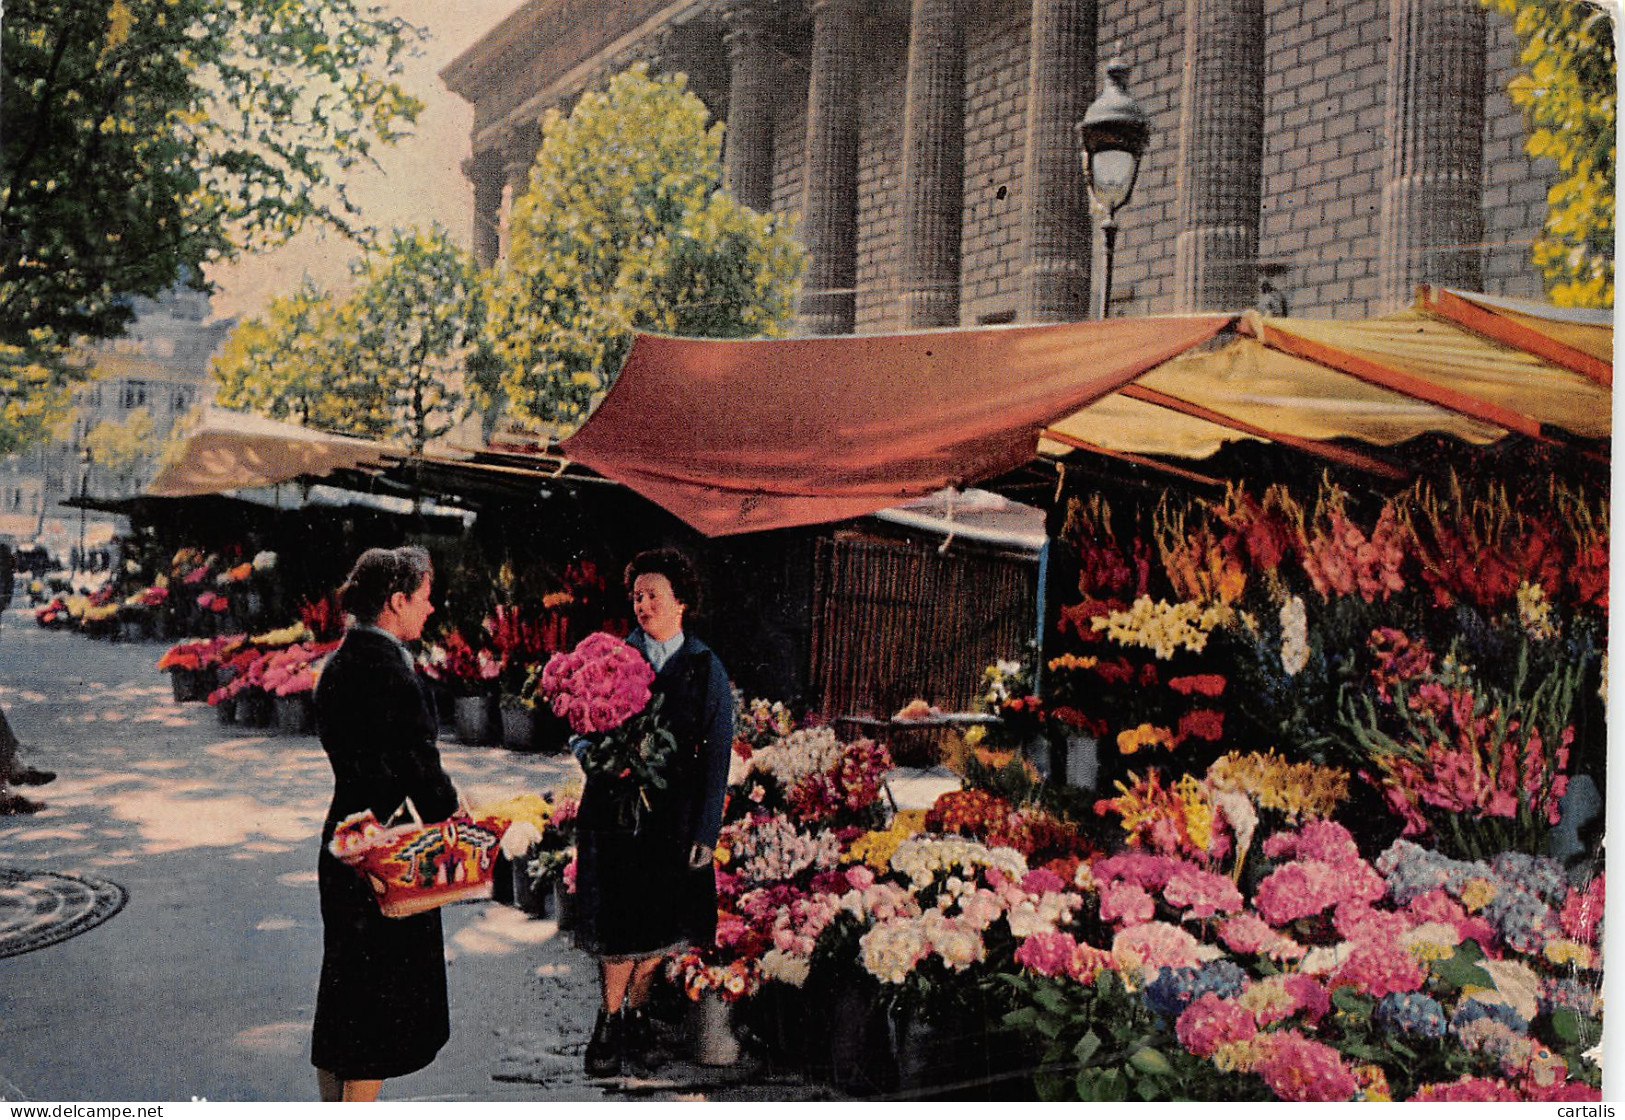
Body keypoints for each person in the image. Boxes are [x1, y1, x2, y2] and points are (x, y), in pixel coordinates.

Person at [572, 547, 734, 1077]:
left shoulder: (706, 668)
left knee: (659, 928)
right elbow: (580, 724)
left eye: (653, 595)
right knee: (617, 927)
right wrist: (595, 757)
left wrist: (706, 832)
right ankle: (607, 1022)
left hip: (673, 820)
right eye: (636, 596)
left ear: (681, 601)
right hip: (614, 815)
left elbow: (716, 756)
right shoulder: (613, 658)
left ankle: (636, 1021)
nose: (642, 605)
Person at [310, 545, 457, 1102]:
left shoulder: (339, 664)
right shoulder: (393, 672)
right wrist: (457, 817)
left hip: (342, 842)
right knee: (376, 1010)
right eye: (424, 597)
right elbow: (423, 772)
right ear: (396, 602)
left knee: (343, 999)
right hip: (387, 852)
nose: (431, 608)